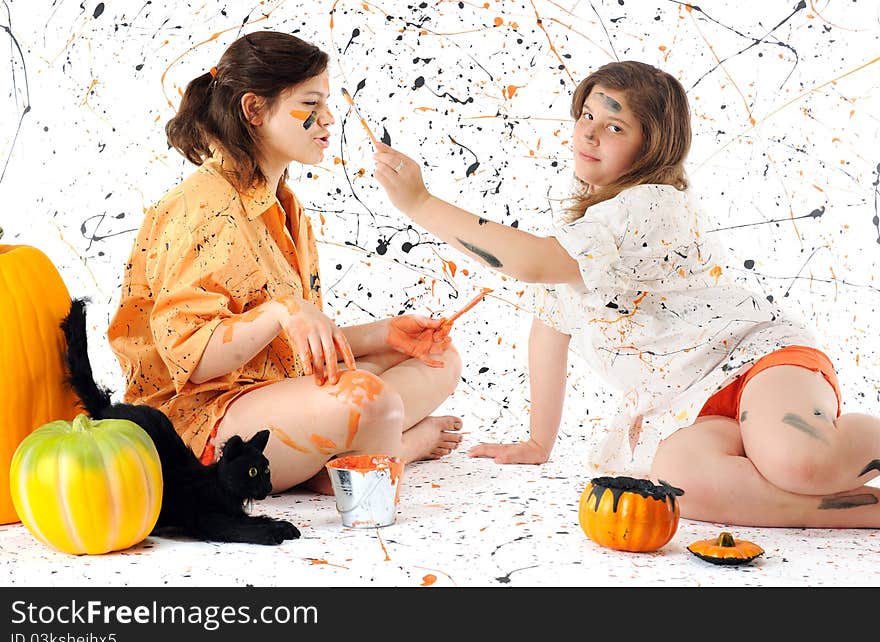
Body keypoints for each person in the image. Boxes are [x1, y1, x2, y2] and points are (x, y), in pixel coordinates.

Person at [371, 59, 880, 527]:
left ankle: (803, 470)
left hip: (761, 361)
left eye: (614, 126)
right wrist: (537, 442)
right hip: (688, 405)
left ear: (652, 144)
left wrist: (420, 202)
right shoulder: (581, 237)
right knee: (682, 485)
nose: (588, 134)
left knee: (798, 460)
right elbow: (549, 332)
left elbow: (529, 263)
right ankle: (863, 513)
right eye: (585, 116)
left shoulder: (651, 205)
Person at [107, 31, 464, 496]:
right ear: (254, 110)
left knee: (439, 358)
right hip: (200, 430)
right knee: (370, 399)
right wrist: (280, 311)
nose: (328, 119)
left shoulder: (282, 203)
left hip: (268, 395)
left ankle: (341, 461)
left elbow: (288, 344)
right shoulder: (202, 207)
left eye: (327, 103)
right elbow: (191, 361)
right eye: (311, 103)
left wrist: (383, 334)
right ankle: (391, 452)